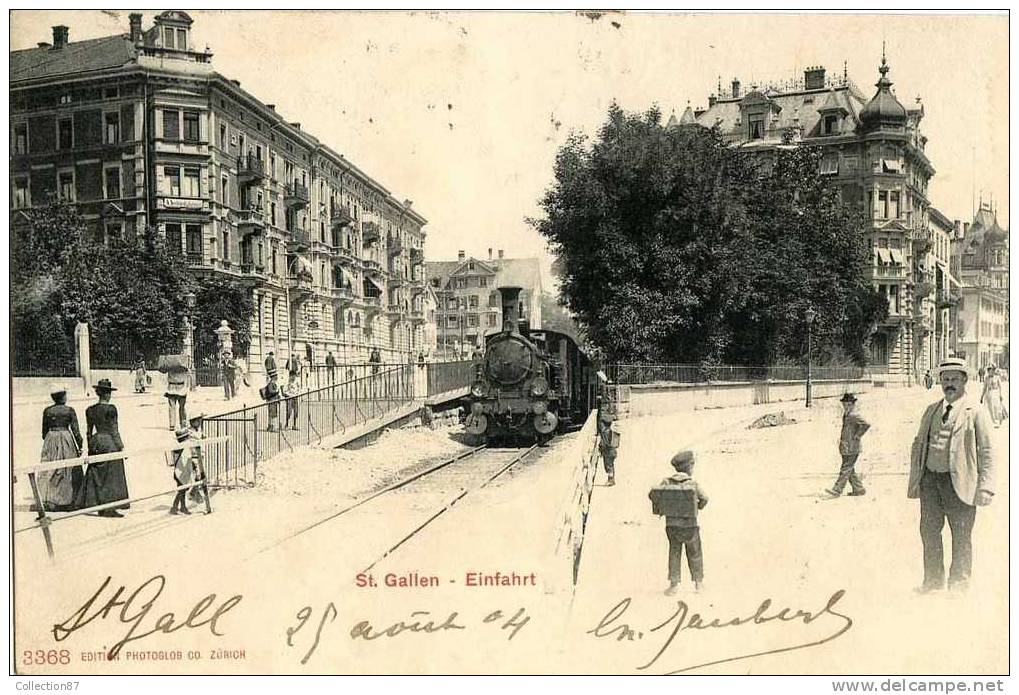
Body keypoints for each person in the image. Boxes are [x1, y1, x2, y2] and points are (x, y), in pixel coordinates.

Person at [907, 357, 995, 593]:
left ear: (964, 380)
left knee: (961, 534)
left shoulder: (975, 411)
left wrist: (985, 486)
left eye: (954, 379)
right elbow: (919, 445)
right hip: (930, 482)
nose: (949, 384)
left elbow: (986, 451)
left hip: (961, 483)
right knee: (929, 532)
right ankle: (933, 582)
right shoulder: (931, 410)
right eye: (945, 379)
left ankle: (959, 584)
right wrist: (918, 478)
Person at [649, 451, 708, 595]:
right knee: (695, 553)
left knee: (674, 552)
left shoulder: (666, 482)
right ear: (689, 467)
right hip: (690, 526)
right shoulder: (692, 483)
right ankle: (698, 584)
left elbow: (652, 495)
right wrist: (697, 507)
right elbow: (705, 498)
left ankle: (674, 585)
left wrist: (662, 506)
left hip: (672, 525)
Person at [81, 379, 130, 518]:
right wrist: (121, 446)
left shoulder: (90, 410)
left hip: (97, 440)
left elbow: (89, 431)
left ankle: (97, 502)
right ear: (108, 395)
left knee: (96, 472)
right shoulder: (111, 409)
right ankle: (109, 507)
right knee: (112, 474)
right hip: (109, 441)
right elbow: (114, 430)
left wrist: (90, 446)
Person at [37, 384, 84, 512]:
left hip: (51, 438)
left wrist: (50, 440)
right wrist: (80, 446)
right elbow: (76, 431)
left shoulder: (47, 411)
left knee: (50, 469)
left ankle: (51, 500)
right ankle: (67, 500)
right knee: (67, 470)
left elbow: (43, 432)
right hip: (66, 438)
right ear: (63, 397)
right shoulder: (69, 410)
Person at [825, 393, 871, 498]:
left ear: (851, 404)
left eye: (846, 404)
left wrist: (858, 435)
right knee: (850, 469)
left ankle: (837, 490)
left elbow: (866, 424)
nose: (844, 406)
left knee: (845, 468)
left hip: (852, 447)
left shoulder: (854, 415)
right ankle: (859, 489)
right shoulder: (847, 414)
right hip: (846, 446)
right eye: (844, 404)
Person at [169, 427, 197, 515]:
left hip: (181, 471)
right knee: (182, 490)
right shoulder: (183, 448)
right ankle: (177, 507)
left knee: (183, 490)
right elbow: (184, 460)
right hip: (181, 471)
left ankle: (179, 507)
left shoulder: (181, 448)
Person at [164, 355, 190, 431]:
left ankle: (172, 424)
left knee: (172, 406)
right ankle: (183, 423)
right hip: (181, 388)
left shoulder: (169, 367)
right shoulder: (184, 367)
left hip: (171, 388)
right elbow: (188, 375)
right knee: (182, 407)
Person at [596, 406, 619, 486]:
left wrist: (601, 448)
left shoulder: (606, 432)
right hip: (611, 449)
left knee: (608, 464)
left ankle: (611, 480)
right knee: (610, 464)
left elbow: (604, 442)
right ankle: (612, 479)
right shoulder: (609, 431)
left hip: (608, 449)